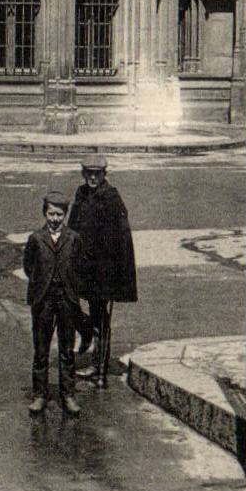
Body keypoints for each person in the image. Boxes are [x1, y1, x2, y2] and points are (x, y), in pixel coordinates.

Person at [69, 153, 137, 389]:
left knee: (101, 317)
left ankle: (99, 367)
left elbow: (122, 238)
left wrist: (116, 274)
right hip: (81, 266)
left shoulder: (111, 198)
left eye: (97, 174)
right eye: (89, 173)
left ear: (104, 174)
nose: (93, 178)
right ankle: (86, 331)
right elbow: (72, 227)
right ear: (83, 173)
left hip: (102, 271)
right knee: (68, 303)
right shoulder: (81, 194)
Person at [22, 191, 86, 417]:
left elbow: (79, 267)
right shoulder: (35, 239)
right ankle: (39, 395)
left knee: (67, 349)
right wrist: (43, 285)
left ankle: (68, 395)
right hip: (43, 300)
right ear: (44, 214)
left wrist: (71, 289)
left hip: (67, 300)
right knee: (41, 349)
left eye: (59, 214)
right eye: (51, 214)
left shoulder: (74, 238)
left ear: (65, 215)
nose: (55, 219)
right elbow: (29, 267)